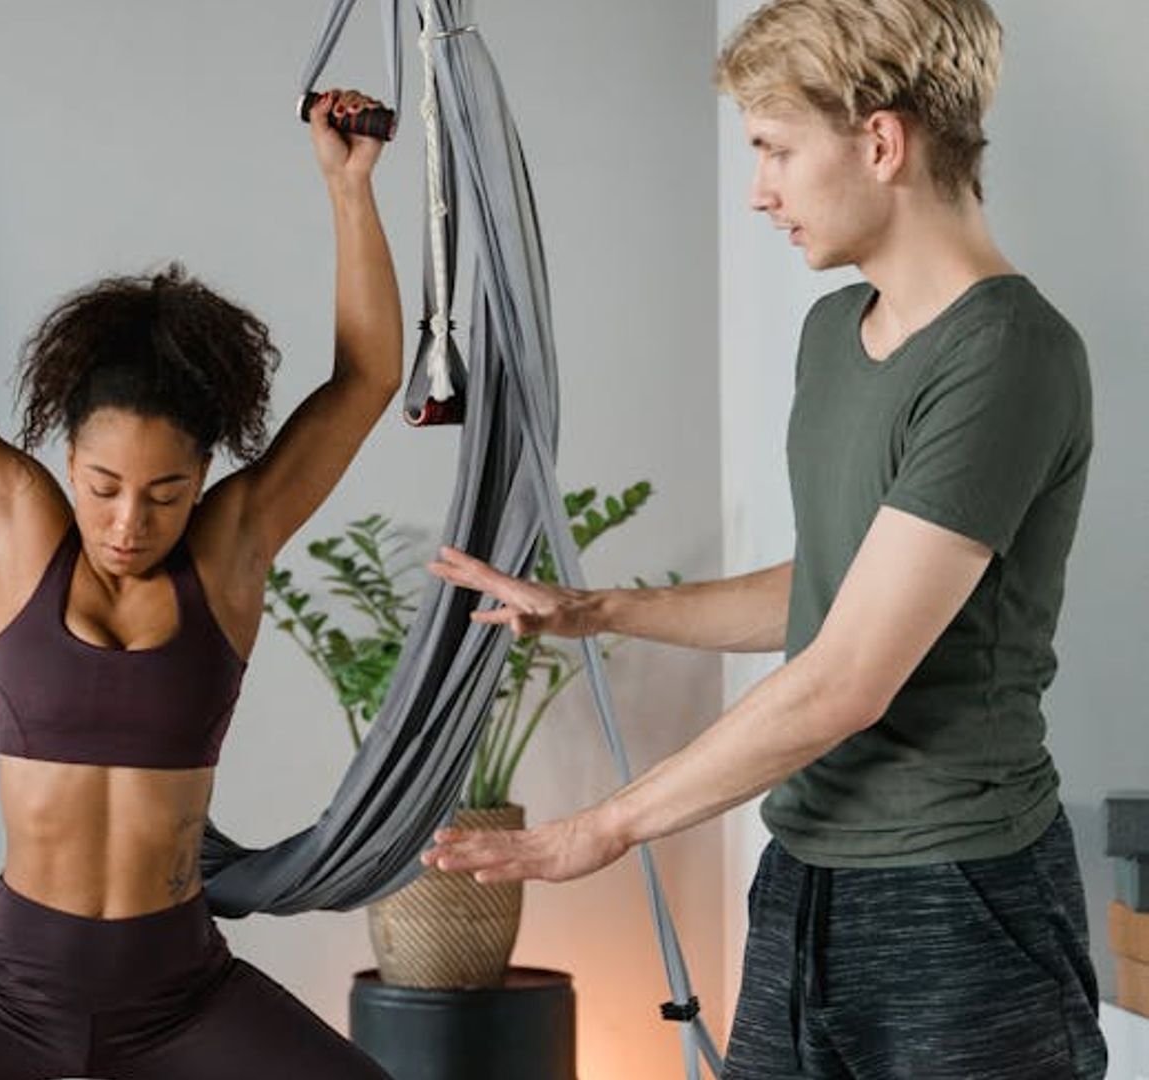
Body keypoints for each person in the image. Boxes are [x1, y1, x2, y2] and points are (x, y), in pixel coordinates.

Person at [419, 2, 1105, 1077]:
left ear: (879, 142)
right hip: (805, 882)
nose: (759, 190)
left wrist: (598, 829)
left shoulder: (1007, 352)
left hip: (962, 899)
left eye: (776, 149)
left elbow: (847, 677)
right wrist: (598, 611)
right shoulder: (835, 334)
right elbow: (839, 590)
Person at [0, 65, 399, 1079]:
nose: (126, 520)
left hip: (180, 991)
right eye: (103, 484)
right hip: (6, 980)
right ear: (67, 459)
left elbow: (367, 379)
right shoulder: (19, 524)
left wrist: (349, 186)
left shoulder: (233, 546)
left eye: (164, 492)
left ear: (205, 476)